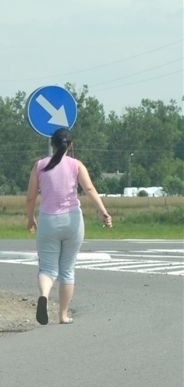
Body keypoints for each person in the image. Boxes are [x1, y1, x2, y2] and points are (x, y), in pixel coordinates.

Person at [26, 127, 112, 325]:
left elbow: (31, 197)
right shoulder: (76, 165)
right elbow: (89, 188)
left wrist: (30, 219)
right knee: (67, 269)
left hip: (48, 220)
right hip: (72, 221)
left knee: (47, 269)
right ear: (70, 145)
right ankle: (63, 315)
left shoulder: (39, 165)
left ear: (52, 144)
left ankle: (44, 296)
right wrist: (103, 211)